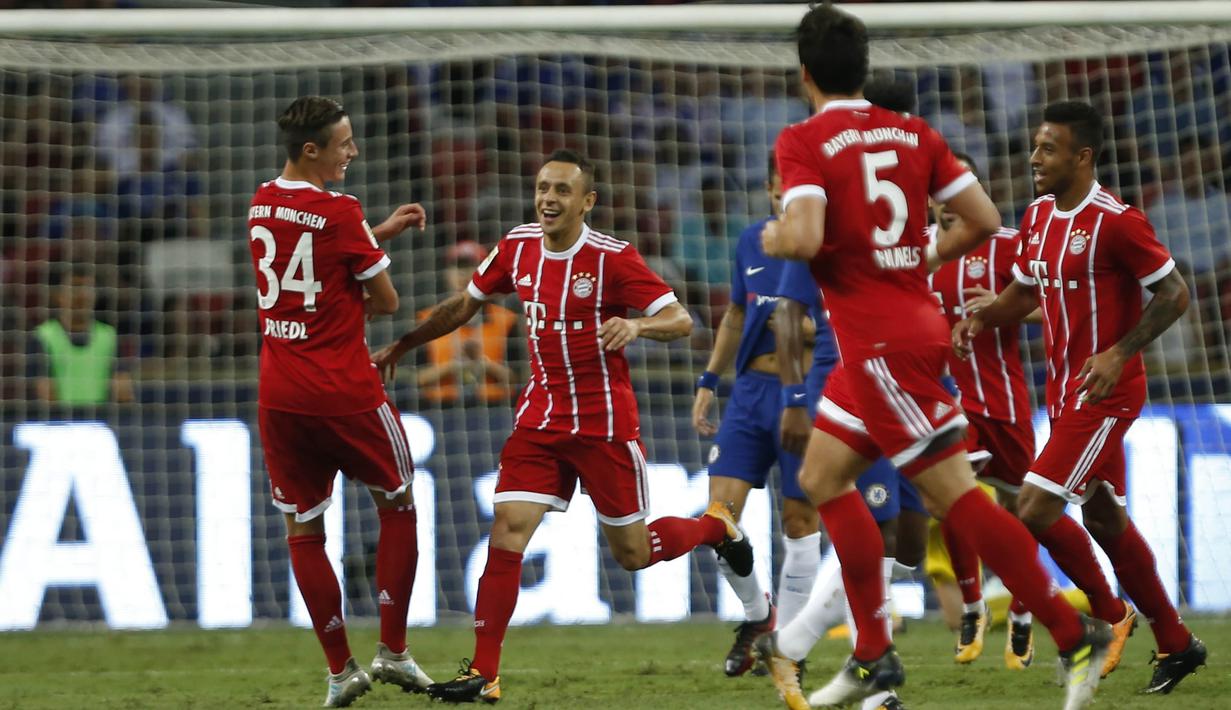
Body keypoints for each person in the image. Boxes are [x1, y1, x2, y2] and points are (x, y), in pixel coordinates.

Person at [760, 6, 1109, 710]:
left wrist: (776, 236)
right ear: (863, 69)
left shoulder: (803, 139)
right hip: (894, 335)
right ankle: (873, 653)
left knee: (954, 496)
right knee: (822, 475)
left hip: (882, 347)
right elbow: (983, 219)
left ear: (804, 75)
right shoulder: (913, 132)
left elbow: (805, 236)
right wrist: (923, 254)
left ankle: (1074, 634)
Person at [372, 149, 752, 705]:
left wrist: (636, 327)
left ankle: (716, 527)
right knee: (508, 530)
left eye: (562, 190)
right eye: (543, 188)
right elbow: (465, 305)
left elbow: (681, 320)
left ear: (587, 201)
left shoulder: (613, 258)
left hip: (603, 425)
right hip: (540, 419)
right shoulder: (517, 246)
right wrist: (404, 345)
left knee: (633, 554)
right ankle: (484, 673)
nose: (548, 198)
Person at [953, 100, 1208, 694]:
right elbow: (1025, 292)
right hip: (1064, 390)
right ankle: (1175, 642)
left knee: (1033, 508)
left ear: (1082, 156)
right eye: (1035, 146)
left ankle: (1104, 617)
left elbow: (1174, 294)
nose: (1034, 158)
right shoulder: (1038, 215)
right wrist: (984, 317)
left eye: (1048, 148)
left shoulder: (1117, 221)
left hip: (1106, 393)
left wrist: (1119, 353)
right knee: (1103, 517)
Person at [248, 96, 431, 708]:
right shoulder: (341, 210)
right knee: (398, 503)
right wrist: (366, 255)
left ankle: (339, 670)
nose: (353, 151)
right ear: (311, 150)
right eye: (343, 143)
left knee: (303, 531)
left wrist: (376, 235)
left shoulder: (261, 202)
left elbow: (309, 257)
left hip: (280, 395)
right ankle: (394, 651)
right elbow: (387, 301)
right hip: (344, 390)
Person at [690, 152, 826, 678]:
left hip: (806, 390)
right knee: (717, 519)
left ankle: (788, 647)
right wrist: (709, 380)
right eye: (778, 190)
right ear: (770, 193)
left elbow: (845, 320)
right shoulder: (752, 240)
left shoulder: (828, 248)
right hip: (749, 393)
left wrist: (805, 328)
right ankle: (757, 615)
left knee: (800, 521)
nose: (785, 198)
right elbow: (736, 313)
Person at [927, 153, 1039, 669]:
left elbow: (1056, 305)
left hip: (1005, 402)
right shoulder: (916, 252)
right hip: (948, 404)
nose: (947, 201)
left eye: (957, 189)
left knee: (1024, 512)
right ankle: (973, 606)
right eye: (939, 192)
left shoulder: (1008, 245)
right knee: (950, 500)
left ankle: (1023, 611)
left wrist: (1003, 307)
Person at [414, 240, 519, 407]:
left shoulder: (506, 319)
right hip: (441, 408)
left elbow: (518, 378)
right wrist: (455, 365)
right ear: (446, 273)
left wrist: (482, 364)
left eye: (471, 266)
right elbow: (418, 378)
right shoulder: (426, 319)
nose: (462, 274)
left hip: (496, 408)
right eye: (456, 267)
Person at [31, 263, 134, 405]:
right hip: (58, 418)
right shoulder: (43, 336)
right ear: (58, 295)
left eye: (89, 289)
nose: (83, 295)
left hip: (100, 417)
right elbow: (44, 392)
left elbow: (123, 389)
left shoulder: (108, 335)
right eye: (75, 288)